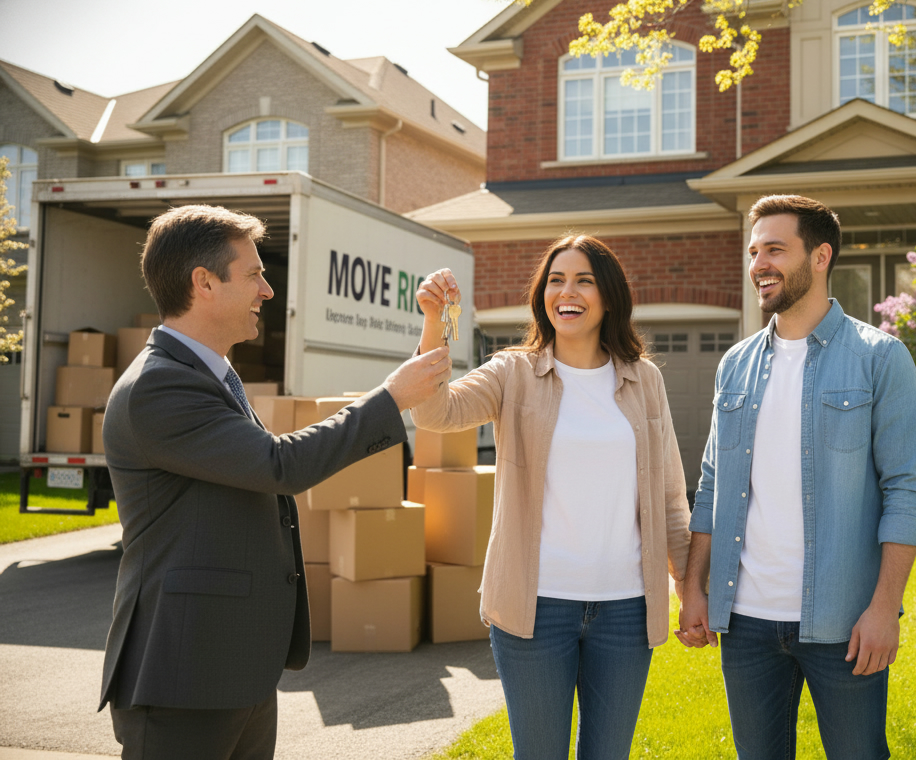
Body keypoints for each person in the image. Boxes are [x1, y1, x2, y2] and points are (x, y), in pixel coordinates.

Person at [99, 204, 451, 760]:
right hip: (185, 674)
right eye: (255, 274)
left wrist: (409, 378)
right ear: (204, 283)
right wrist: (390, 399)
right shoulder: (158, 387)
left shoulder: (207, 373)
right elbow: (278, 465)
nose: (267, 289)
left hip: (234, 667)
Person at [411, 235, 691, 760]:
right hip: (534, 609)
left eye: (584, 280)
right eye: (557, 280)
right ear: (543, 295)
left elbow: (671, 494)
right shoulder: (513, 372)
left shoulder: (644, 379)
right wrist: (433, 321)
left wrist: (688, 585)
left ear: (609, 296)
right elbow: (435, 413)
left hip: (626, 610)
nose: (569, 291)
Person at [676, 195, 916, 759]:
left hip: (843, 622)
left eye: (775, 249)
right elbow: (714, 482)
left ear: (820, 256)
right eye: (753, 251)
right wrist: (693, 587)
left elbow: (907, 494)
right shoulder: (735, 364)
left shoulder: (879, 358)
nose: (758, 264)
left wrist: (884, 608)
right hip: (746, 622)